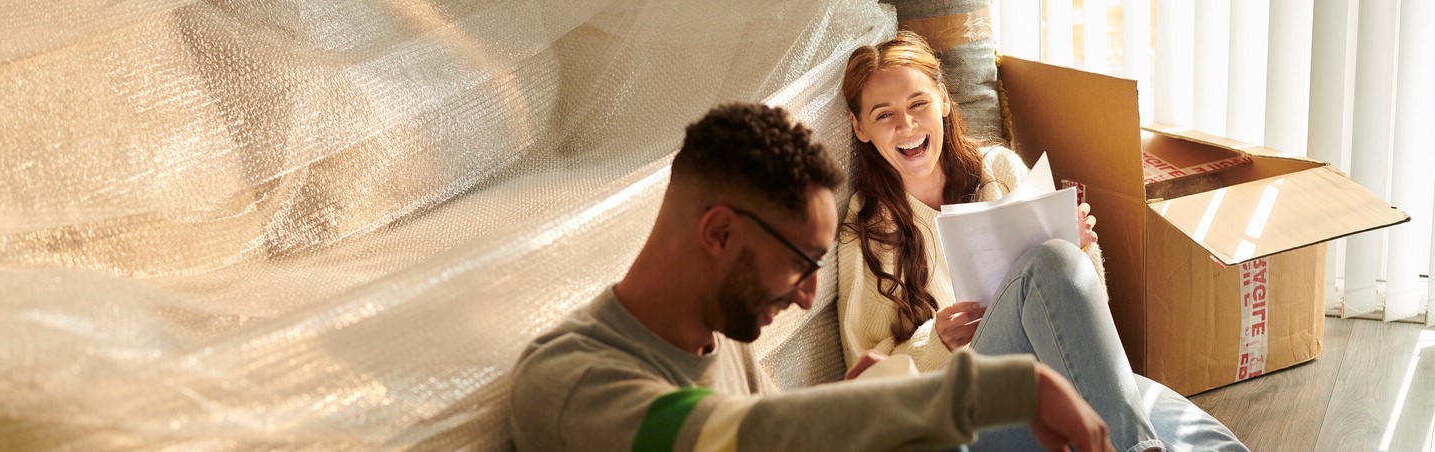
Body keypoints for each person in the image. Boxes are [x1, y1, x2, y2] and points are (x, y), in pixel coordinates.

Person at [508, 102, 1114, 451]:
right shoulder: (568, 382)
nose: (805, 298)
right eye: (800, 266)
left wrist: (850, 401)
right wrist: (997, 390)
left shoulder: (722, 343)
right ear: (719, 233)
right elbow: (740, 437)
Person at [835, 31, 1245, 452]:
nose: (906, 125)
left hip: (1053, 384)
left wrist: (1079, 247)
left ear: (942, 98)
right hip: (961, 421)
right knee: (1051, 263)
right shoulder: (866, 230)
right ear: (860, 127)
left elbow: (1086, 321)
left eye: (917, 103)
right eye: (883, 114)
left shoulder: (1000, 170)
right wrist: (934, 342)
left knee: (1210, 445)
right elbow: (867, 385)